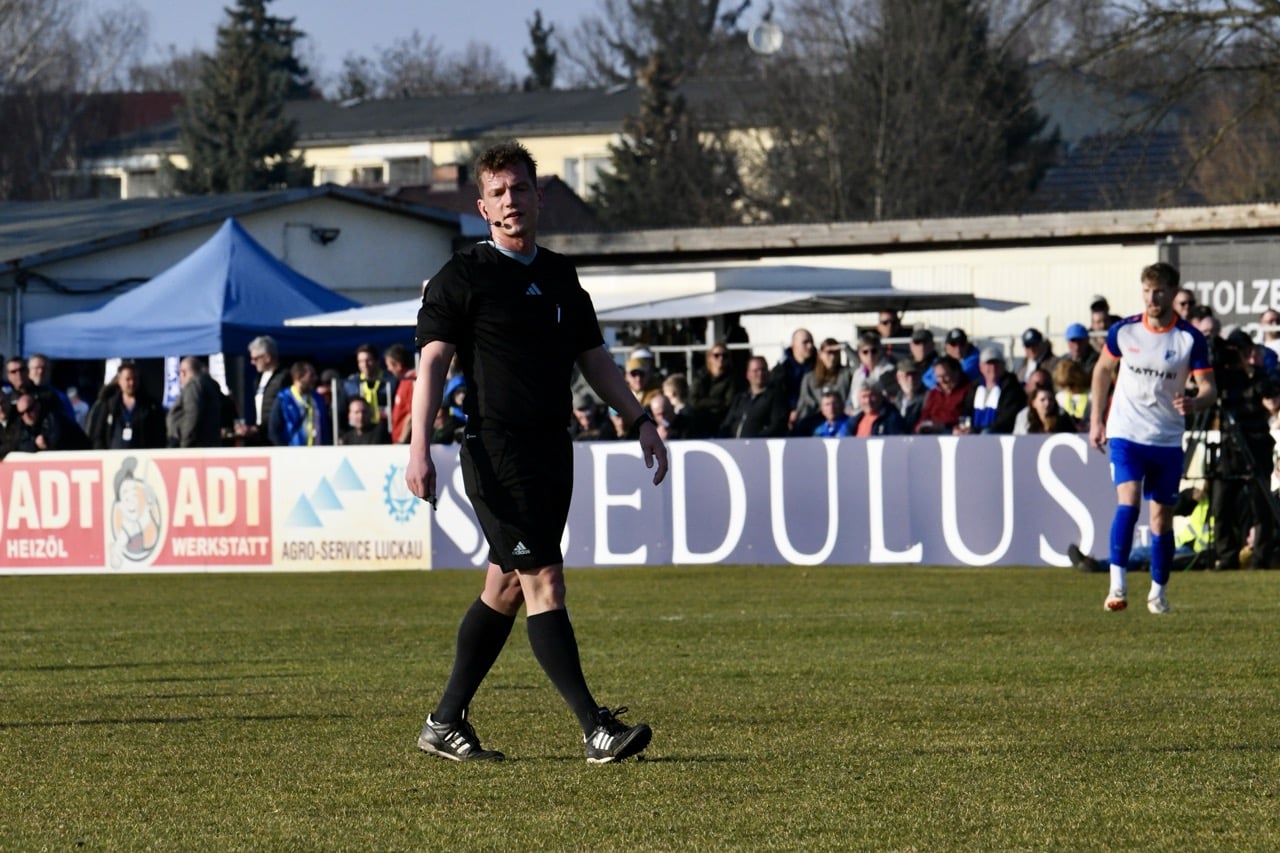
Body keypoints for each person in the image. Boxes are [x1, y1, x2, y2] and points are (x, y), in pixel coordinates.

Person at [405, 140, 667, 764]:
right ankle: (595, 729)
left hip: (554, 449)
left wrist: (639, 418)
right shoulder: (462, 276)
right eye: (498, 193)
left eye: (520, 189)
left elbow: (594, 359)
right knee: (544, 577)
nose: (510, 201)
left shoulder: (559, 275)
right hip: (497, 452)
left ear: (539, 196)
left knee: (506, 587)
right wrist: (418, 447)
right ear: (482, 206)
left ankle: (444, 722)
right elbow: (432, 362)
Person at [1090, 262, 1217, 614]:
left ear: (1174, 294)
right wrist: (1096, 420)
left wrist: (1195, 400)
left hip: (1165, 437)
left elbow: (1209, 389)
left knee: (1161, 518)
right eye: (1147, 291)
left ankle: (1158, 592)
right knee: (1128, 504)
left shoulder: (1189, 339)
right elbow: (1102, 370)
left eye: (1159, 291)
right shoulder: (1124, 331)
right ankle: (1117, 585)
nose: (1152, 298)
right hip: (1126, 432)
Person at [90, 361, 166, 450]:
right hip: (113, 458)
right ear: (119, 381)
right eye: (128, 379)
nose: (132, 383)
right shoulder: (109, 405)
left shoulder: (151, 406)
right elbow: (98, 435)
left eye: (135, 379)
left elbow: (159, 435)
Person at [956, 346, 1026, 435]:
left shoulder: (1012, 388)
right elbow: (967, 411)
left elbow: (1007, 419)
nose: (993, 367)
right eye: (988, 364)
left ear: (1003, 365)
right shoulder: (975, 387)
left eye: (996, 363)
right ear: (981, 367)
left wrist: (977, 430)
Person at [794, 337, 851, 436]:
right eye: (829, 353)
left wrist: (845, 347)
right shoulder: (810, 378)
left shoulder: (846, 373)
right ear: (820, 354)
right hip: (817, 421)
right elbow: (805, 404)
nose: (832, 357)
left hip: (843, 419)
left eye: (836, 353)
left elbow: (861, 367)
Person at [722, 355, 788, 438]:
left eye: (763, 369)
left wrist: (756, 439)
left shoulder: (776, 396)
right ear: (748, 374)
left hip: (758, 446)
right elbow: (727, 423)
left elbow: (777, 425)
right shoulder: (740, 398)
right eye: (755, 370)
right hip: (734, 446)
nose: (760, 373)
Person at [269, 361, 332, 447]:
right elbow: (274, 430)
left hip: (317, 452)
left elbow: (325, 427)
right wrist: (284, 450)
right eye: (311, 376)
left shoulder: (318, 398)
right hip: (294, 453)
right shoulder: (284, 399)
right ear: (298, 377)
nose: (315, 378)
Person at [166, 356, 223, 448]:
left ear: (183, 372)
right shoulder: (209, 385)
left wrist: (184, 443)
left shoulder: (193, 386)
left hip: (193, 446)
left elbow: (192, 414)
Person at [243, 335, 290, 445]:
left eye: (255, 358)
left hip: (276, 437)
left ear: (267, 357)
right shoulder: (258, 379)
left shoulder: (284, 377)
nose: (252, 362)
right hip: (261, 436)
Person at [688, 342, 741, 438]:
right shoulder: (701, 376)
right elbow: (693, 401)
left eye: (724, 356)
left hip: (722, 420)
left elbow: (728, 403)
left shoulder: (732, 378)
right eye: (716, 355)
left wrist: (703, 402)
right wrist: (716, 401)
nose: (721, 358)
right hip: (699, 420)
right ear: (709, 358)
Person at [769, 328, 815, 427]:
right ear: (793, 344)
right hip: (786, 421)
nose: (810, 346)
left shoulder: (818, 367)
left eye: (811, 342)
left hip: (813, 418)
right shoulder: (780, 371)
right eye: (805, 342)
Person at [915, 355, 969, 434]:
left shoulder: (969, 391)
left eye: (945, 376)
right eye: (938, 377)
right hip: (931, 433)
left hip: (953, 433)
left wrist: (945, 426)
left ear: (956, 373)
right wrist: (919, 426)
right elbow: (925, 415)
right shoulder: (934, 393)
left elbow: (966, 417)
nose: (942, 381)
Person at [847, 330, 897, 411]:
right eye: (865, 352)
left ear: (880, 351)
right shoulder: (858, 373)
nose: (870, 355)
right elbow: (851, 399)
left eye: (874, 351)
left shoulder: (889, 370)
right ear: (859, 354)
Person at [347, 343, 396, 425]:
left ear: (377, 361)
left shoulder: (391, 381)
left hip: (386, 429)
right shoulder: (352, 383)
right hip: (361, 432)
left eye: (368, 360)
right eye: (361, 361)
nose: (364, 365)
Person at [385, 342, 417, 443]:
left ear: (398, 365)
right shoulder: (405, 381)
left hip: (405, 442)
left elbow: (412, 414)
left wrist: (401, 441)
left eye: (389, 365)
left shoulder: (411, 381)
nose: (388, 369)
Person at [1052, 359, 1091, 427]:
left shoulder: (1092, 395)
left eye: (1071, 384)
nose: (1068, 389)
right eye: (1063, 385)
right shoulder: (1059, 397)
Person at [894, 357, 925, 432]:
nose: (911, 379)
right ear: (898, 378)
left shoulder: (930, 399)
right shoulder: (894, 401)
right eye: (907, 375)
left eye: (915, 375)